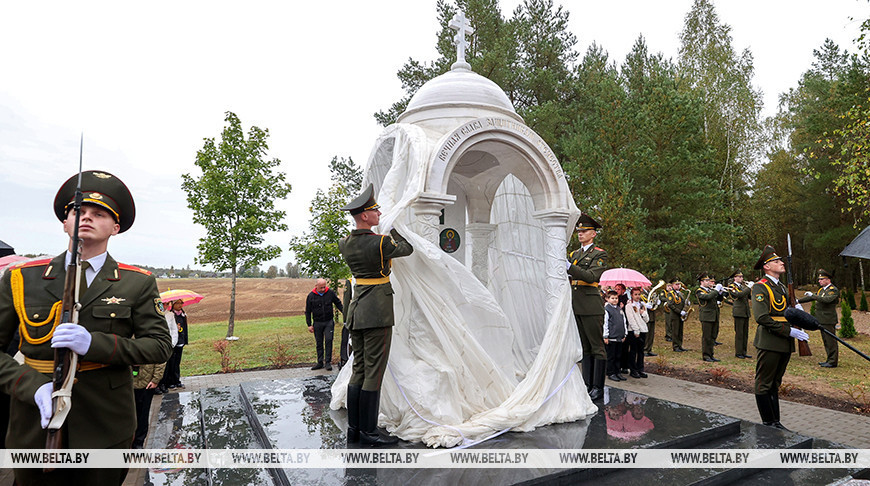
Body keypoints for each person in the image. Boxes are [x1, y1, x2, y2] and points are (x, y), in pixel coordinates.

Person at [0, 170, 172, 485]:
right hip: (33, 423)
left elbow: (160, 345)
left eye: (100, 213)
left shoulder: (138, 282)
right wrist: (31, 386)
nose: (86, 218)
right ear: (65, 222)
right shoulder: (22, 278)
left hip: (104, 424)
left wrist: (95, 344)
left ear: (115, 227)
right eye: (78, 211)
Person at [339, 184, 413, 447]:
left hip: (356, 311)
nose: (379, 213)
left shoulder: (344, 244)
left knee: (358, 369)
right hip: (377, 313)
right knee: (374, 373)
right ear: (364, 217)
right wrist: (395, 230)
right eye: (375, 210)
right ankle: (369, 433)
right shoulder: (381, 243)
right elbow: (407, 249)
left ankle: (354, 429)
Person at [752, 245, 809, 429]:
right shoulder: (760, 287)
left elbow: (787, 311)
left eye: (781, 260)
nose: (781, 263)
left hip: (784, 342)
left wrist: (799, 315)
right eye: (777, 261)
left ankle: (776, 422)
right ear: (767, 266)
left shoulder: (782, 287)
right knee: (763, 383)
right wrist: (789, 331)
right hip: (770, 341)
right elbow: (761, 317)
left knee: (775, 383)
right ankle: (768, 423)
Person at [567, 213, 608, 401]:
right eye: (579, 231)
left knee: (597, 347)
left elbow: (591, 277)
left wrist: (569, 267)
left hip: (591, 306)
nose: (580, 234)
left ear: (593, 234)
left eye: (584, 231)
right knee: (585, 348)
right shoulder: (575, 255)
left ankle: (598, 387)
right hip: (576, 305)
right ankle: (587, 385)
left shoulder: (599, 254)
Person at [798, 269, 840, 368]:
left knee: (831, 341)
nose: (819, 281)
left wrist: (813, 296)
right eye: (819, 279)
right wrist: (797, 301)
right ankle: (829, 359)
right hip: (821, 319)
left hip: (828, 319)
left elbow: (826, 300)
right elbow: (813, 297)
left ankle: (833, 361)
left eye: (822, 279)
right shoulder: (822, 290)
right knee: (826, 340)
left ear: (828, 280)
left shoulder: (833, 290)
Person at [305, 278, 343, 371]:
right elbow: (308, 311)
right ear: (316, 286)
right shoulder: (311, 296)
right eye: (321, 287)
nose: (323, 289)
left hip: (328, 322)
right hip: (317, 323)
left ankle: (328, 362)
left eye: (324, 287)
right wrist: (309, 324)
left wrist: (345, 313)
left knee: (329, 340)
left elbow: (338, 303)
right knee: (319, 342)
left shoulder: (330, 293)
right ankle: (320, 362)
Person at [696, 273, 722, 362]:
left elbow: (718, 298)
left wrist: (721, 292)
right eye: (706, 281)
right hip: (706, 316)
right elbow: (708, 297)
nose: (708, 282)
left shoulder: (710, 290)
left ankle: (711, 354)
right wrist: (716, 290)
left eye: (708, 280)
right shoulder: (699, 291)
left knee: (712, 336)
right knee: (706, 337)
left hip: (714, 316)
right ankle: (706, 355)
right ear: (701, 282)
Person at [624, 287, 650, 378]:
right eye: (635, 294)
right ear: (631, 295)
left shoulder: (642, 305)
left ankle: (640, 369)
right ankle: (633, 369)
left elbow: (647, 320)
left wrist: (643, 313)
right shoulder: (629, 306)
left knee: (641, 351)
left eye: (639, 294)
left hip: (643, 329)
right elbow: (631, 319)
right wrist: (636, 330)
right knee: (633, 351)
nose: (637, 296)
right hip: (634, 331)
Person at [727, 270, 753, 359]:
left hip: (745, 311)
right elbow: (739, 295)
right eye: (739, 277)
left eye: (742, 277)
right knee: (739, 333)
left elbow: (749, 297)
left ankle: (744, 352)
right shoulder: (732, 286)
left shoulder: (742, 286)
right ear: (735, 278)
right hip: (738, 312)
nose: (741, 278)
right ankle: (738, 352)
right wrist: (748, 288)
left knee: (745, 333)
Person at [602, 290, 627, 382]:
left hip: (619, 336)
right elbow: (605, 323)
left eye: (616, 298)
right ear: (607, 299)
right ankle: (611, 372)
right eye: (612, 298)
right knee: (611, 356)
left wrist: (625, 334)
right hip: (611, 337)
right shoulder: (607, 310)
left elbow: (623, 322)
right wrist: (605, 336)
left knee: (618, 356)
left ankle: (617, 371)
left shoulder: (619, 309)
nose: (615, 300)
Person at [164, 299, 188, 388]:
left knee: (177, 362)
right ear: (173, 304)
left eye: (181, 303)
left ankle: (177, 380)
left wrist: (184, 339)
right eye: (177, 303)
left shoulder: (183, 315)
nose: (180, 305)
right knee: (171, 362)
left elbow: (184, 329)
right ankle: (170, 381)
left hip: (180, 341)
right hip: (173, 341)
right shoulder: (171, 315)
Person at [666, 279, 689, 352]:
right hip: (675, 315)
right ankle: (675, 346)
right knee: (675, 332)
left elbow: (682, 303)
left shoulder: (681, 293)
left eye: (679, 284)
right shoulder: (671, 293)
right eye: (676, 284)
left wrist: (687, 303)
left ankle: (680, 345)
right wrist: (679, 312)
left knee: (680, 331)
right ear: (672, 285)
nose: (678, 285)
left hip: (680, 315)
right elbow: (670, 304)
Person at [339, 278, 352, 369]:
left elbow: (347, 300)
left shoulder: (350, 281)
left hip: (353, 317)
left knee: (346, 339)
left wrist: (345, 319)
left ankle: (345, 359)